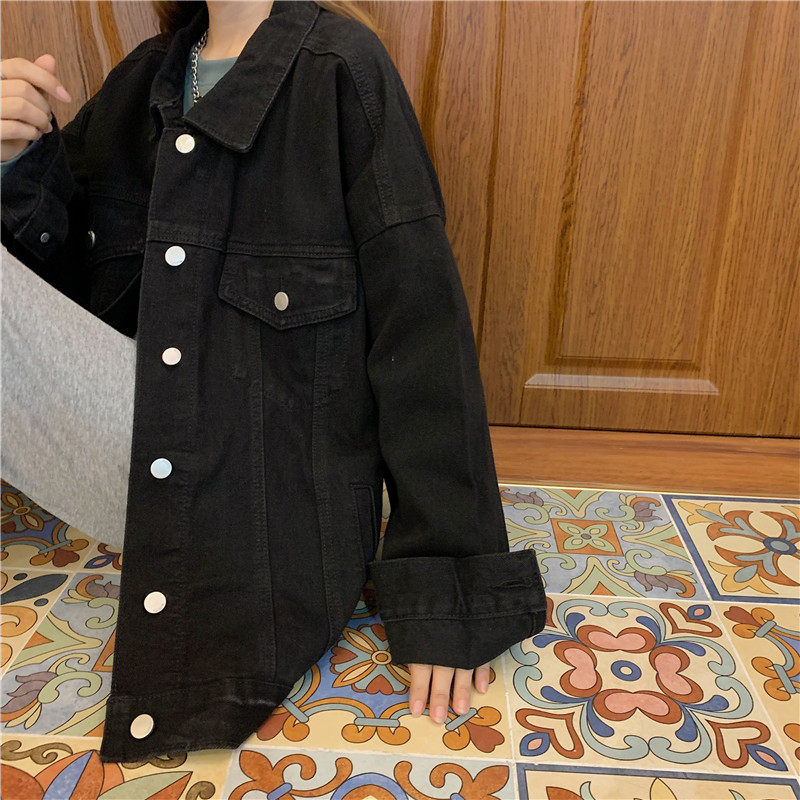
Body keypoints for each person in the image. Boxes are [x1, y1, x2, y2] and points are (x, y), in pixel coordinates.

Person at [1, 1, 543, 743]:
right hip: (132, 452)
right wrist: (15, 166)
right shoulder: (140, 82)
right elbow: (57, 307)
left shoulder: (342, 69)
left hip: (266, 503)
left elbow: (419, 326)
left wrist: (449, 581)